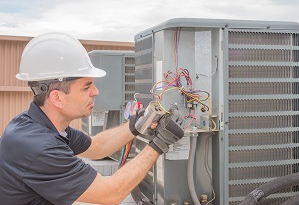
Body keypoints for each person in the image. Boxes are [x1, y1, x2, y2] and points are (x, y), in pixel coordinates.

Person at [0, 32, 185, 205]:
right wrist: (159, 144)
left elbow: (97, 147)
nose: (95, 92)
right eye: (86, 87)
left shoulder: (40, 125)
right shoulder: (39, 147)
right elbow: (109, 193)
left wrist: (134, 126)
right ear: (57, 98)